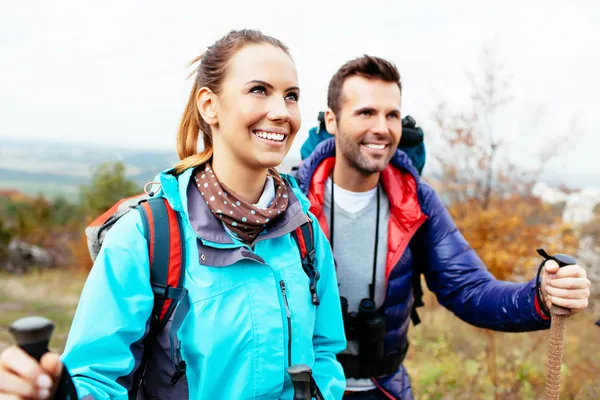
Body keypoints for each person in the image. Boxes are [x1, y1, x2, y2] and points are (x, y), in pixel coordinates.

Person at [0, 29, 346, 400]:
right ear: (209, 105)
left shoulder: (304, 233)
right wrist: (56, 393)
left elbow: (324, 352)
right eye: (259, 90)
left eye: (291, 96)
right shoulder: (147, 237)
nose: (281, 112)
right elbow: (96, 379)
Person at [292, 55, 591, 399]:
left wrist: (540, 295)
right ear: (332, 120)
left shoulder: (415, 201)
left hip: (384, 389)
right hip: (305, 389)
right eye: (366, 113)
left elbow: (468, 290)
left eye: (392, 115)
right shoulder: (292, 200)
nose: (382, 127)